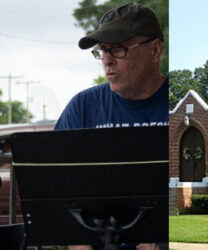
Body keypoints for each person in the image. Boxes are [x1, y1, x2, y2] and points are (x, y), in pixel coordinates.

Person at [54, 3, 168, 250]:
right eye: (102, 51)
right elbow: (55, 189)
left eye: (118, 50)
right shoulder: (82, 107)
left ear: (156, 50)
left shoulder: (175, 105)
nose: (107, 61)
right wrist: (77, 242)